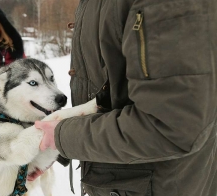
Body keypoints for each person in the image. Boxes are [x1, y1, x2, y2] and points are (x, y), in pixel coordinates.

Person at [36, 1, 217, 196]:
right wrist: (56, 143)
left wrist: (63, 137)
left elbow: (170, 126)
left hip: (161, 184)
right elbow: (113, 90)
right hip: (116, 182)